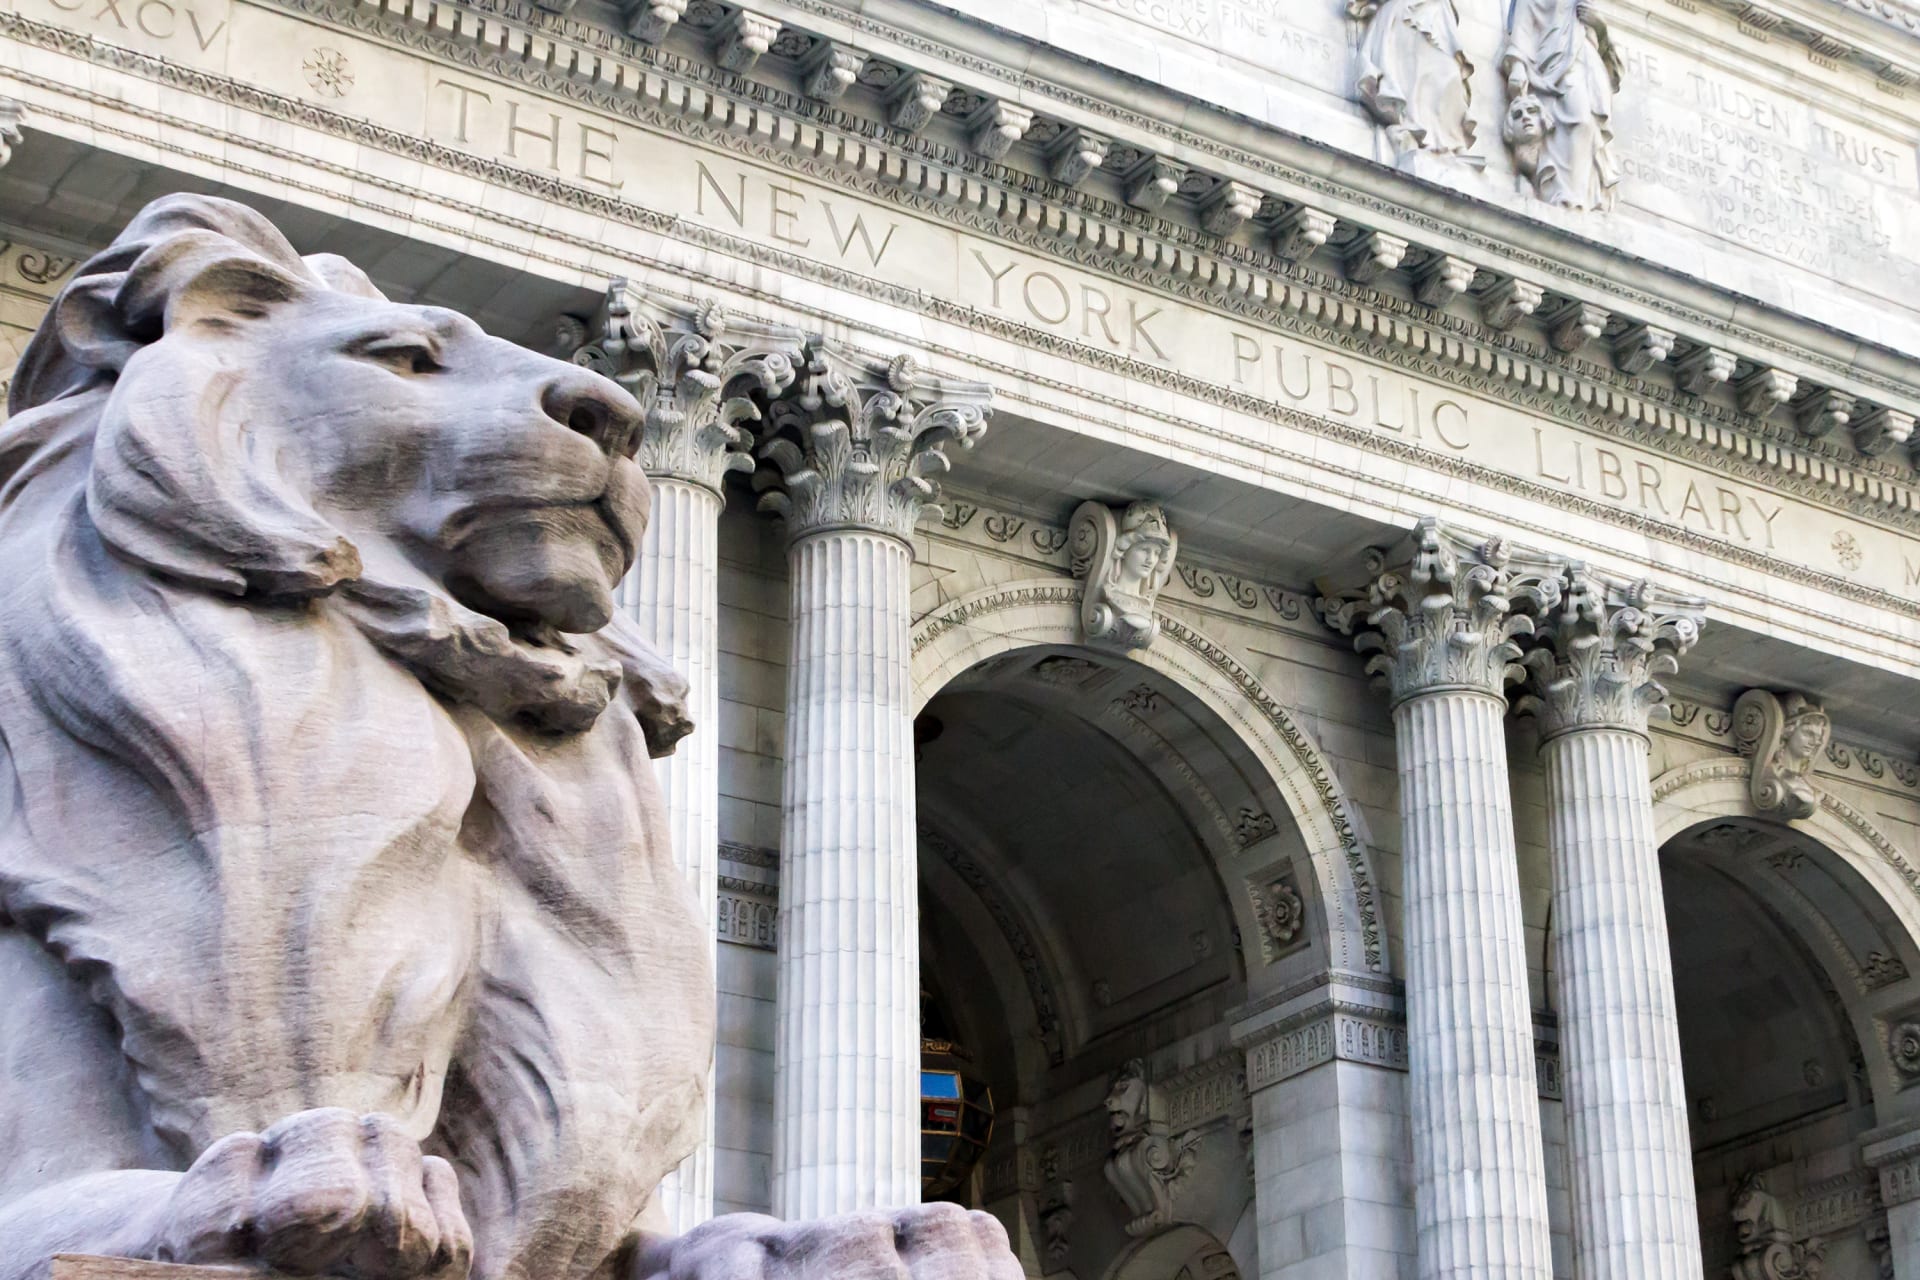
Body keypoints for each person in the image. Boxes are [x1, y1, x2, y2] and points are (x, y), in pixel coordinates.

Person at [1499, 0, 1623, 209]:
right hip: (1551, 65)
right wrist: (1517, 66)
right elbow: (1522, 28)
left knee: (1587, 124)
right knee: (1578, 121)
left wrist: (1599, 25)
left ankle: (1579, 195)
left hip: (1587, 65)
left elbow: (1609, 53)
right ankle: (1562, 192)